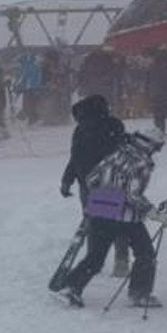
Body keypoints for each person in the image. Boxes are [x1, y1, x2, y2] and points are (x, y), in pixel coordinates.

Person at [60, 127, 167, 308]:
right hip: (127, 218)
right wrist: (156, 215)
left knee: (95, 258)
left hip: (101, 213)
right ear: (148, 145)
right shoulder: (142, 163)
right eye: (157, 147)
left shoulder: (116, 154)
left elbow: (91, 179)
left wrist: (106, 195)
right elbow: (133, 196)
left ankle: (71, 287)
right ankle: (139, 294)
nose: (156, 152)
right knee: (145, 254)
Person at [61, 94, 130, 278]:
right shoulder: (113, 125)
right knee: (118, 222)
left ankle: (93, 260)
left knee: (95, 224)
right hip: (111, 182)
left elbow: (75, 158)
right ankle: (120, 259)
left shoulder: (81, 129)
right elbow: (123, 152)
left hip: (91, 184)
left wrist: (67, 180)